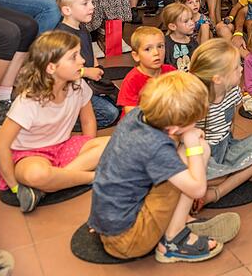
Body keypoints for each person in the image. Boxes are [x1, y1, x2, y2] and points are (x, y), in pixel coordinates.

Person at [88, 71, 240, 263]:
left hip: (107, 221)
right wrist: (192, 145)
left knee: (184, 156)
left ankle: (175, 222)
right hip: (128, 240)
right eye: (193, 122)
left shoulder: (138, 115)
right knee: (199, 150)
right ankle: (172, 241)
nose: (195, 125)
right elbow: (198, 188)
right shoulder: (155, 147)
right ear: (175, 128)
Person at [0, 31, 110, 213]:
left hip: (62, 148)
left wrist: (87, 146)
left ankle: (51, 184)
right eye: (74, 57)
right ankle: (92, 177)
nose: (82, 61)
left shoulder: (78, 84)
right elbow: (1, 143)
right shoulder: (28, 100)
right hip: (30, 156)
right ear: (51, 68)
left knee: (114, 143)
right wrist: (14, 187)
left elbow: (88, 121)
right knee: (36, 174)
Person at [187, 39, 252, 211]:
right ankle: (245, 174)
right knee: (193, 176)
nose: (242, 69)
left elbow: (231, 123)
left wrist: (232, 148)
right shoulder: (195, 102)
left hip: (225, 146)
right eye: (236, 67)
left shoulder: (233, 91)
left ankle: (216, 193)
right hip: (201, 156)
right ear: (218, 79)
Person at [54, 0, 120, 129]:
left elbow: (90, 52)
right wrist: (87, 72)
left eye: (91, 2)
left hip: (87, 83)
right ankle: (64, 120)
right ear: (67, 10)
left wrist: (97, 70)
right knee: (110, 113)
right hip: (71, 88)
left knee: (121, 101)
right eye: (85, 3)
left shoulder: (82, 27)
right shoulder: (62, 36)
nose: (92, 7)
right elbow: (60, 70)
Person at [116, 26, 176, 114]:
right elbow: (131, 114)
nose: (156, 53)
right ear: (136, 56)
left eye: (160, 46)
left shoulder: (171, 72)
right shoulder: (132, 80)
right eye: (148, 49)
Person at [161, 2, 198, 72]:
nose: (192, 23)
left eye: (191, 19)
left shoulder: (193, 42)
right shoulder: (165, 44)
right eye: (186, 21)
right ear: (173, 26)